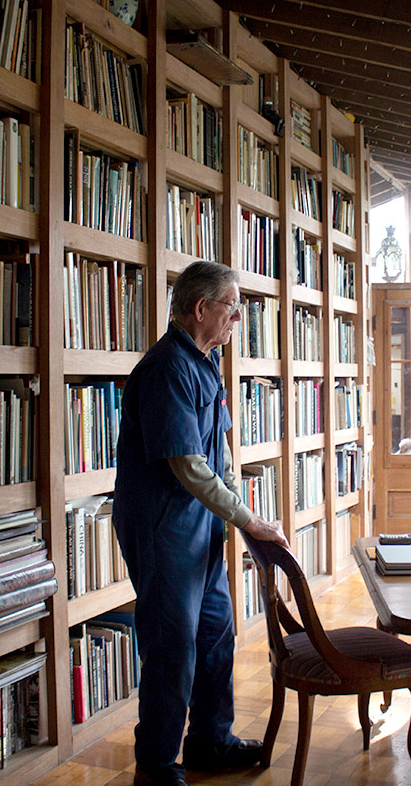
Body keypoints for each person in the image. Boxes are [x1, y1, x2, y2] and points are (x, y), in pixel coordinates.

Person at [113, 260, 290, 786]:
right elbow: (188, 466)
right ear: (201, 308)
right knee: (173, 645)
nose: (237, 320)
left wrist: (244, 513)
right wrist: (247, 520)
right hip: (164, 528)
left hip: (203, 526)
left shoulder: (205, 362)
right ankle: (157, 766)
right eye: (233, 310)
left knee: (216, 632)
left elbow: (222, 457)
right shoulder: (167, 367)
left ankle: (211, 741)